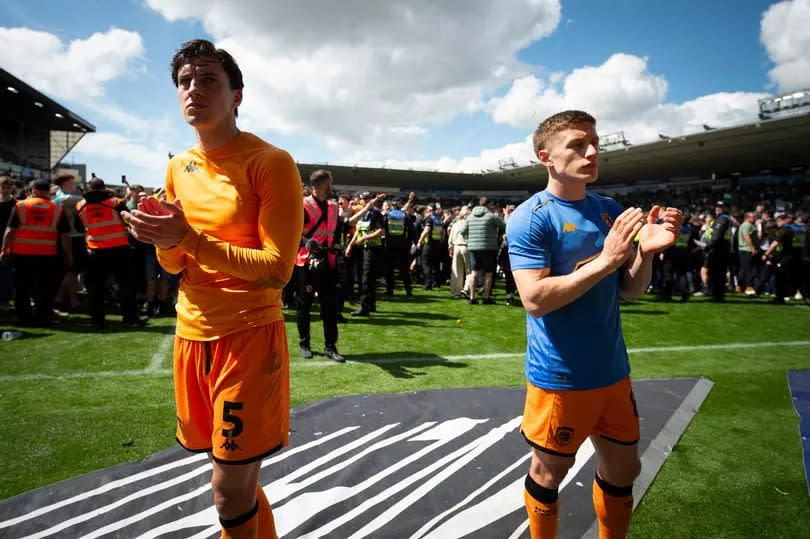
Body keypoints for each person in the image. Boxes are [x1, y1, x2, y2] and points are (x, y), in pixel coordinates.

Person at [122, 39, 302, 539]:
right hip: (190, 335)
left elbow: (275, 269)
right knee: (233, 478)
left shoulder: (270, 161)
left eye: (209, 80)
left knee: (227, 491)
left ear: (236, 95)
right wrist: (161, 238)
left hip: (247, 339)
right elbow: (176, 261)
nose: (193, 90)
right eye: (185, 81)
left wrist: (188, 239)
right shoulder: (178, 166)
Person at [507, 110, 683, 539]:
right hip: (561, 378)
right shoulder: (532, 216)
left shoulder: (609, 211)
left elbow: (630, 291)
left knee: (626, 467)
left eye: (595, 143)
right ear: (546, 156)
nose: (591, 152)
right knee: (550, 473)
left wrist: (646, 254)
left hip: (612, 372)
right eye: (578, 144)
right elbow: (534, 299)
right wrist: (606, 260)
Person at [75, 178, 144, 329]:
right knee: (126, 286)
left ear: (89, 188)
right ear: (104, 188)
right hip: (119, 250)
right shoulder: (116, 203)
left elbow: (79, 228)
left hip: (95, 251)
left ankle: (97, 322)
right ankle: (130, 319)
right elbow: (128, 221)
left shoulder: (80, 205)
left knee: (95, 289)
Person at [0, 179, 72, 324]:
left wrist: (4, 250)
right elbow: (65, 236)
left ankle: (24, 317)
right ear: (48, 192)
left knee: (22, 288)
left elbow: (10, 231)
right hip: (47, 255)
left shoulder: (20, 206)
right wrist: (68, 254)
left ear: (33, 191)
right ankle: (43, 316)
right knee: (44, 287)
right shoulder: (57, 209)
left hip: (22, 254)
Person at [295, 169, 345, 363]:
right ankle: (304, 343)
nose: (332, 185)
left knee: (330, 307)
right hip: (306, 262)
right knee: (304, 305)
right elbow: (292, 233)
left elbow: (337, 231)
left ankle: (330, 347)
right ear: (323, 184)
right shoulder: (303, 205)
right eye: (330, 182)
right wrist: (306, 242)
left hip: (329, 262)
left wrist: (338, 246)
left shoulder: (334, 206)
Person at [346, 192, 385, 316]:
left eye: (367, 199)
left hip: (373, 250)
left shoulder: (376, 213)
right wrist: (350, 246)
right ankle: (371, 304)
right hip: (364, 250)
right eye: (363, 199)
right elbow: (358, 231)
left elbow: (380, 231)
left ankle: (364, 307)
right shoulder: (362, 214)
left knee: (366, 279)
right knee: (369, 278)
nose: (365, 201)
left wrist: (364, 239)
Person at [462, 197, 506, 304]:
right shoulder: (491, 216)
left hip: (473, 248)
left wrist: (469, 240)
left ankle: (472, 297)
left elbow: (462, 231)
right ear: (489, 204)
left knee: (474, 273)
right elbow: (504, 226)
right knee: (489, 273)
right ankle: (486, 298)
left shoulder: (470, 216)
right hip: (489, 248)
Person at [384, 194, 414, 297]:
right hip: (403, 246)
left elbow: (383, 230)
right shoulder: (406, 216)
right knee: (404, 269)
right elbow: (411, 231)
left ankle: (390, 290)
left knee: (389, 269)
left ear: (392, 205)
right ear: (400, 205)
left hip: (389, 245)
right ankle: (408, 290)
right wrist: (410, 243)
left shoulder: (387, 215)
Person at [762, 213, 795, 304]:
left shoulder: (784, 230)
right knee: (781, 277)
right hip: (787, 256)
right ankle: (780, 296)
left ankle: (780, 297)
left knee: (780, 277)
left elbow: (775, 243)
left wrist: (766, 253)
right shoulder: (789, 229)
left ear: (784, 220)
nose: (777, 222)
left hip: (785, 257)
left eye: (779, 220)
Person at [704, 201, 731, 302]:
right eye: (717, 206)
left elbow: (717, 236)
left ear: (726, 208)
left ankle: (717, 296)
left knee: (716, 274)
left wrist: (708, 246)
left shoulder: (722, 219)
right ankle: (718, 295)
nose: (718, 208)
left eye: (721, 207)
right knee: (719, 274)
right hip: (721, 249)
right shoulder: (723, 218)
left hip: (718, 250)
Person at [416, 204, 444, 290]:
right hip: (437, 244)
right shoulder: (439, 219)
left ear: (430, 209)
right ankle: (436, 283)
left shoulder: (429, 218)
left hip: (429, 245)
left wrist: (420, 241)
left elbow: (426, 231)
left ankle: (428, 283)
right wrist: (440, 242)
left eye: (427, 209)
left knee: (425, 264)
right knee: (436, 265)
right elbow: (443, 234)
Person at [448, 206, 471, 298]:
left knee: (456, 270)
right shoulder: (470, 224)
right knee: (469, 270)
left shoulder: (455, 224)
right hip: (467, 247)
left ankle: (456, 292)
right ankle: (466, 289)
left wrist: (450, 248)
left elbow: (450, 238)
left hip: (456, 246)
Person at [0, 176, 16, 312]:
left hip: (9, 243)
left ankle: (5, 300)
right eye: (2, 187)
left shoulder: (15, 204)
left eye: (7, 187)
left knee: (6, 272)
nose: (4, 190)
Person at [737, 212, 758, 295]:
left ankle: (739, 286)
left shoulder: (746, 225)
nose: (755, 218)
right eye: (753, 217)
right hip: (747, 249)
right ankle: (749, 286)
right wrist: (753, 248)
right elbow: (746, 236)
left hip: (744, 249)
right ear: (747, 217)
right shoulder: (747, 225)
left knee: (743, 268)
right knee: (749, 269)